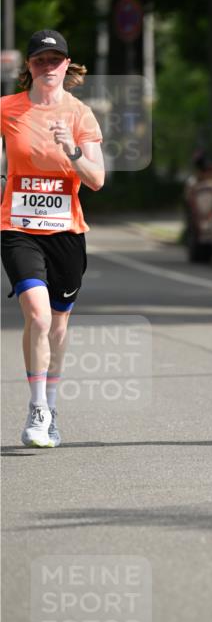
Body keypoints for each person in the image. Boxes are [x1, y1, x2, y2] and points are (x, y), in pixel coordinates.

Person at [0, 29, 104, 447]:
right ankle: (37, 407)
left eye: (55, 60)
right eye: (40, 60)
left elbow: (96, 180)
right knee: (38, 316)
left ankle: (52, 403)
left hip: (66, 231)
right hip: (18, 227)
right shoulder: (8, 108)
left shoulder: (80, 114)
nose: (48, 67)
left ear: (66, 65)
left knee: (58, 325)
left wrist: (72, 151)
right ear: (29, 67)